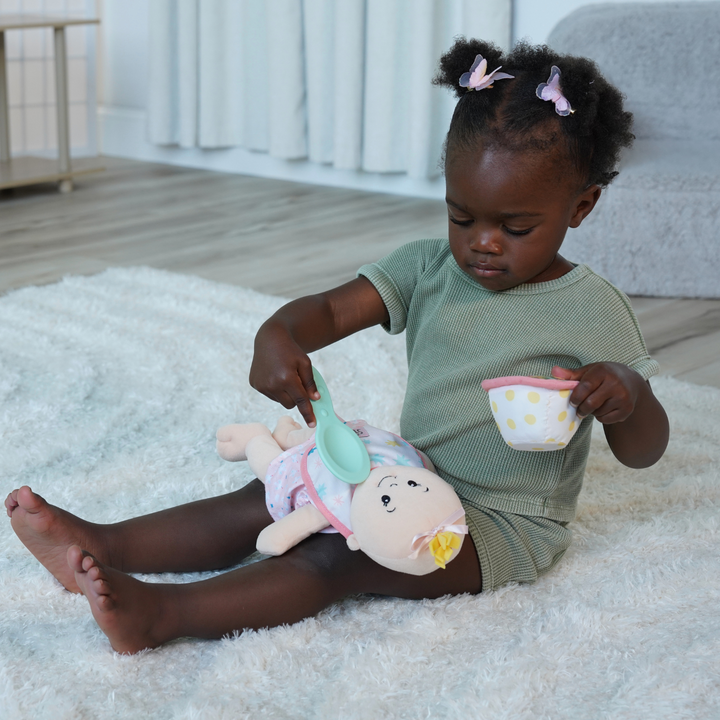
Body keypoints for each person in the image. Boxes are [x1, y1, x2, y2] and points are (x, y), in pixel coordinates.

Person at [4, 39, 669, 654]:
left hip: (498, 528)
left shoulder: (591, 310)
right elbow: (328, 309)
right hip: (409, 469)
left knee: (337, 557)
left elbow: (644, 453)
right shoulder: (432, 267)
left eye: (516, 226)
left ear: (581, 207)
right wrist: (279, 334)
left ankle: (164, 617)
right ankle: (103, 542)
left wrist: (627, 396)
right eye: (461, 215)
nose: (482, 242)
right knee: (273, 490)